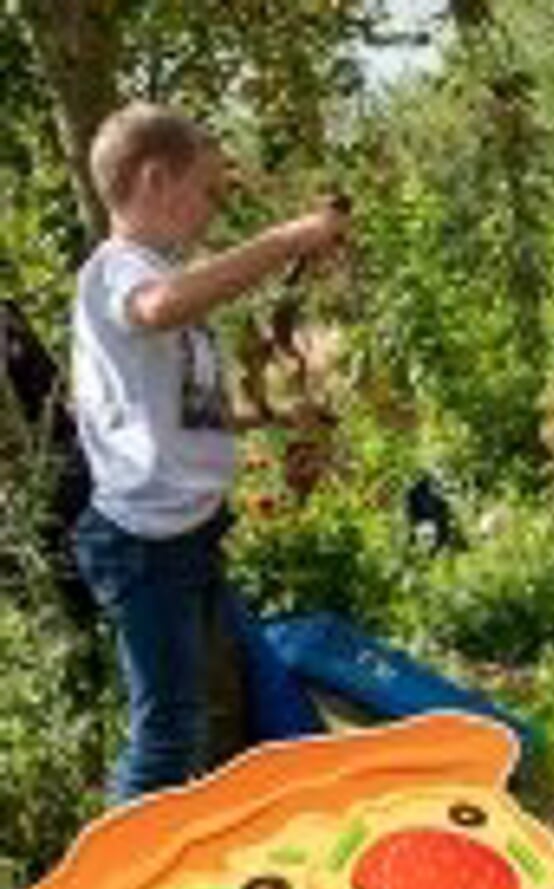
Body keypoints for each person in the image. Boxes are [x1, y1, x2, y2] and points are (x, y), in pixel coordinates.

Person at [67, 103, 350, 804]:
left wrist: (277, 416)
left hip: (186, 534)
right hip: (142, 539)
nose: (210, 210)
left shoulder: (161, 276)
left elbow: (189, 407)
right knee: (166, 731)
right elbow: (162, 307)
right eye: (206, 190)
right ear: (156, 179)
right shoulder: (117, 271)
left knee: (187, 720)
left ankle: (152, 873)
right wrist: (287, 239)